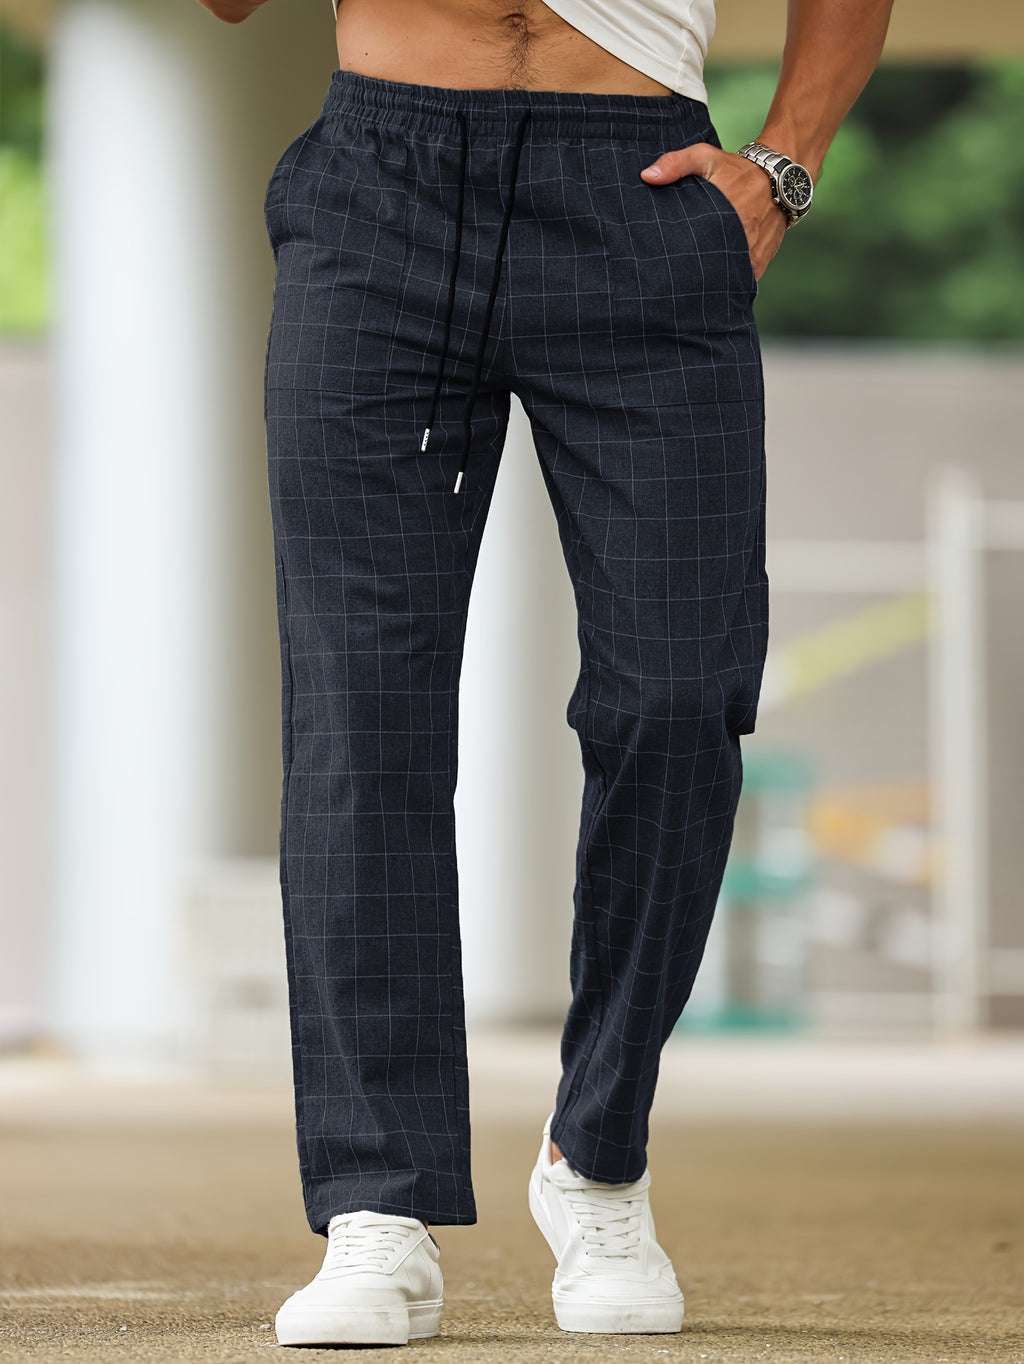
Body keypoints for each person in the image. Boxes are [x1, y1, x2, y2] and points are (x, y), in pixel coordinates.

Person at [200, 0, 894, 1346]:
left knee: (681, 692)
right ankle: (376, 1203)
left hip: (642, 189)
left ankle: (599, 1158)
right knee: (363, 715)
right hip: (382, 187)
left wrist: (786, 164)